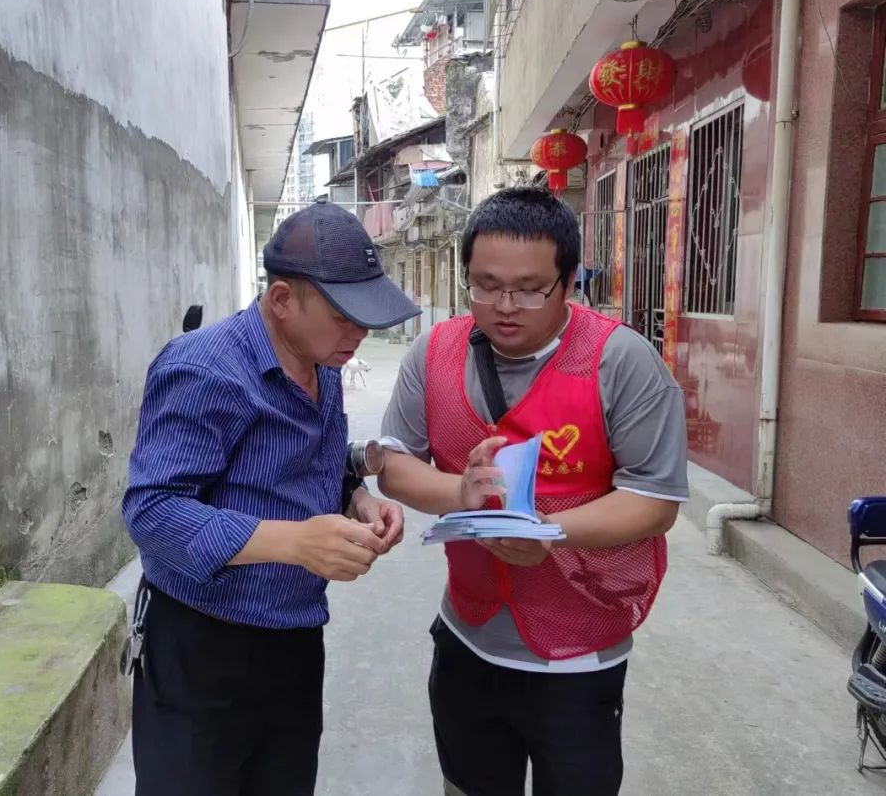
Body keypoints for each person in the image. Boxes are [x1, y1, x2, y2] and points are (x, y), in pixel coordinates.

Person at [377, 186, 688, 796]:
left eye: (529, 288)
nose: (504, 306)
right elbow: (393, 464)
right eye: (485, 284)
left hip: (579, 653)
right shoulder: (434, 352)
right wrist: (459, 491)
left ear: (569, 282)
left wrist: (550, 532)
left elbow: (655, 500)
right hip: (467, 637)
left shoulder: (620, 361)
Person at [122, 199, 418, 796]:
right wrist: (295, 542)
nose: (359, 334)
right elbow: (152, 511)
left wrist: (356, 498)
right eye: (344, 316)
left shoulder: (323, 362)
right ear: (282, 300)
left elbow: (317, 462)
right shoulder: (204, 370)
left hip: (294, 636)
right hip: (203, 642)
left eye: (366, 318)